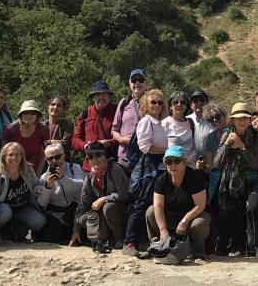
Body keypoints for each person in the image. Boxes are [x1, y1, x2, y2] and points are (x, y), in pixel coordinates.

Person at [212, 103, 258, 256]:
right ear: (233, 120)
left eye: (245, 118)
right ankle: (231, 246)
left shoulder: (256, 135)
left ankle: (257, 247)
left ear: (249, 120)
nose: (242, 121)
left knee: (253, 206)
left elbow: (256, 163)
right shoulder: (226, 134)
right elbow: (217, 163)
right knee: (228, 208)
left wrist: (242, 147)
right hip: (231, 182)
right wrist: (226, 145)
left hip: (251, 180)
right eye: (238, 118)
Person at [123, 89, 168, 255]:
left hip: (159, 167)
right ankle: (129, 242)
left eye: (160, 102)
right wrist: (168, 150)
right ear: (145, 105)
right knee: (141, 204)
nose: (157, 105)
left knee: (153, 205)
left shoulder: (160, 123)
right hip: (148, 168)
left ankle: (144, 241)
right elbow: (145, 147)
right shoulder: (146, 122)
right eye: (153, 102)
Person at [148, 144, 212, 259]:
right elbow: (158, 206)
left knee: (199, 224)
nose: (173, 165)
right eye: (169, 162)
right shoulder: (161, 180)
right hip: (171, 216)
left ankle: (197, 252)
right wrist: (163, 230)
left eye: (177, 161)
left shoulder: (195, 178)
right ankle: (158, 246)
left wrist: (184, 221)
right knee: (150, 211)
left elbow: (200, 205)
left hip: (193, 216)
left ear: (184, 161)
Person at [0, 141, 44, 246]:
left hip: (21, 209)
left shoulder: (28, 169)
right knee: (5, 211)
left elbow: (35, 185)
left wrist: (38, 189)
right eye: (10, 154)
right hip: (1, 211)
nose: (14, 157)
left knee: (39, 220)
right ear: (4, 157)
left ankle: (11, 230)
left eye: (17, 154)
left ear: (22, 156)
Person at [74, 141, 130, 253]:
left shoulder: (115, 170)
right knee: (82, 219)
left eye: (98, 155)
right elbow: (82, 203)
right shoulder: (90, 177)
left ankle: (120, 239)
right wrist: (76, 230)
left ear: (104, 156)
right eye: (90, 157)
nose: (95, 159)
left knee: (108, 207)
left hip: (123, 211)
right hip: (104, 214)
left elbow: (125, 194)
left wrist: (104, 199)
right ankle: (104, 239)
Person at [36, 143, 86, 243]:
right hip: (57, 215)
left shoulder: (74, 168)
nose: (54, 161)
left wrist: (63, 179)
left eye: (57, 157)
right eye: (50, 158)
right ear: (46, 160)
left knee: (84, 237)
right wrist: (48, 187)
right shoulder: (44, 177)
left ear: (63, 156)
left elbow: (82, 187)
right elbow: (41, 203)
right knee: (51, 238)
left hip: (76, 213)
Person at [73, 81, 116, 171]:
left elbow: (123, 136)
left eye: (104, 94)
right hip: (89, 166)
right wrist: (84, 146)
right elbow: (75, 139)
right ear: (93, 97)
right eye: (98, 95)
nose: (101, 98)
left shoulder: (117, 112)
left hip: (111, 164)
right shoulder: (85, 113)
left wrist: (109, 142)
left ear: (109, 96)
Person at [112, 69, 149, 165]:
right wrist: (121, 139)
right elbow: (114, 130)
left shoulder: (154, 102)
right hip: (125, 157)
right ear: (129, 83)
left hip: (147, 157)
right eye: (134, 80)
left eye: (140, 80)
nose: (137, 83)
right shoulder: (124, 102)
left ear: (146, 83)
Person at [4, 100, 48, 173]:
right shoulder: (11, 128)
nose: (29, 115)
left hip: (34, 170)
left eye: (32, 113)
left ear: (37, 115)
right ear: (21, 115)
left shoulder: (42, 129)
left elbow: (43, 156)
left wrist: (38, 174)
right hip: (13, 168)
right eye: (26, 113)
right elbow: (4, 152)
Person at [162, 91, 197, 162]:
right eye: (175, 102)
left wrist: (188, 159)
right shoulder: (164, 124)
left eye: (183, 102)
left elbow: (193, 147)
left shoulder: (190, 122)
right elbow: (162, 148)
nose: (179, 104)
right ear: (170, 106)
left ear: (186, 106)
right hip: (172, 165)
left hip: (188, 164)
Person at [188, 89, 214, 167]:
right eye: (195, 101)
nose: (199, 103)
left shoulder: (214, 121)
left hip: (210, 166)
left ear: (207, 103)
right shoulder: (185, 121)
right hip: (189, 166)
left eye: (202, 100)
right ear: (191, 105)